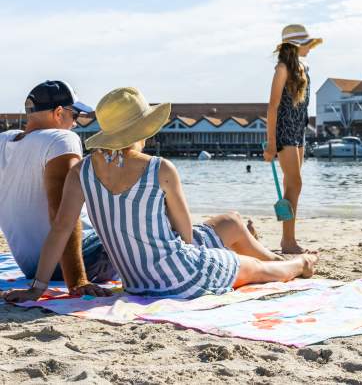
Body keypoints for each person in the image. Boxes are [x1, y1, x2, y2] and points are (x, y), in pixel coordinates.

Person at [2, 87, 317, 304]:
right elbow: (185, 237)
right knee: (252, 268)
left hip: (136, 282)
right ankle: (299, 264)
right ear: (143, 130)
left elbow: (60, 230)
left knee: (231, 224)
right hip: (179, 279)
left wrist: (37, 288)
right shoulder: (160, 169)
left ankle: (273, 254)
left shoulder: (80, 172)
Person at [0, 81, 113, 296]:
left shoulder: (3, 141)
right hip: (77, 258)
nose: (76, 124)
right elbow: (61, 213)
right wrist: (77, 280)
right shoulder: (61, 140)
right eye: (75, 115)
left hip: (32, 267)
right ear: (59, 112)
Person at [263, 24, 322, 254]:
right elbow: (272, 106)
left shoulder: (302, 67)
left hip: (299, 132)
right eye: (307, 44)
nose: (310, 48)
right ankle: (288, 241)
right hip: (284, 133)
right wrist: (270, 142)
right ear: (296, 46)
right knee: (295, 183)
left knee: (292, 185)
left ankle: (288, 239)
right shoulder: (282, 69)